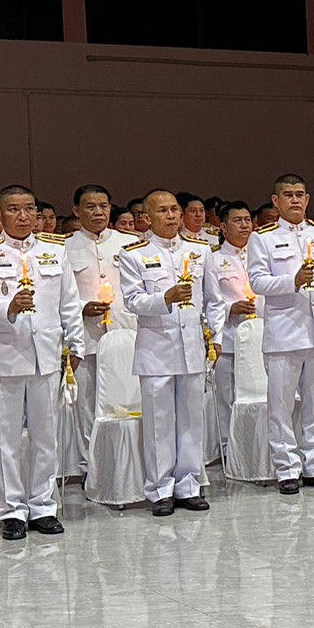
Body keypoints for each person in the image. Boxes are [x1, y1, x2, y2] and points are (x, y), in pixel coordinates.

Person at [0, 185, 83, 539]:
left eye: (29, 209)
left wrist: (75, 343)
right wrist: (7, 308)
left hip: (46, 355)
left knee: (47, 436)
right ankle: (12, 510)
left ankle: (43, 505)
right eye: (14, 210)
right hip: (4, 355)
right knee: (7, 438)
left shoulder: (53, 249)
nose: (23, 216)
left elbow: (69, 303)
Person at [246, 173, 314, 494]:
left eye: (300, 194)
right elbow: (258, 282)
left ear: (308, 199)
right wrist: (292, 280)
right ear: (276, 201)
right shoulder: (262, 238)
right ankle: (287, 467)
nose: (294, 200)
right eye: (287, 195)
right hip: (284, 333)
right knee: (281, 405)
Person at [119, 190, 216, 516]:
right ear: (147, 217)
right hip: (156, 349)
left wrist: (211, 332)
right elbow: (132, 300)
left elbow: (213, 299)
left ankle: (188, 484)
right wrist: (165, 297)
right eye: (162, 211)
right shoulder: (134, 254)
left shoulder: (200, 251)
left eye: (175, 209)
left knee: (191, 419)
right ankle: (160, 489)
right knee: (160, 423)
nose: (171, 216)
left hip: (192, 347)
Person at [64, 183, 137, 477]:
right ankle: (88, 466)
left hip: (123, 329)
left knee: (125, 397)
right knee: (86, 402)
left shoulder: (128, 242)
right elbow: (60, 293)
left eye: (104, 206)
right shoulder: (64, 247)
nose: (98, 212)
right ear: (76, 211)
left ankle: (125, 463)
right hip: (86, 334)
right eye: (91, 207)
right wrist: (82, 306)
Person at [204, 201, 256, 453]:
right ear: (223, 227)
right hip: (229, 335)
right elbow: (206, 300)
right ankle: (227, 446)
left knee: (257, 392)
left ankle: (254, 444)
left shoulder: (259, 254)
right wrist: (229, 308)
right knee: (226, 395)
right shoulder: (212, 259)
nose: (245, 225)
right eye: (238, 220)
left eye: (248, 220)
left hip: (260, 335)